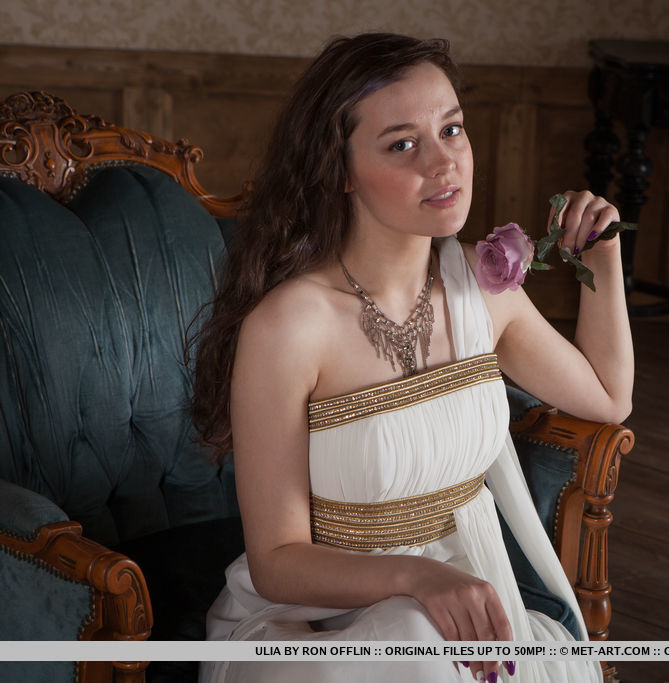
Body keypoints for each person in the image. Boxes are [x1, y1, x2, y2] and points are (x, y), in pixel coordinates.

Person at [190, 32, 633, 683]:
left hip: (468, 606)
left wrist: (605, 257)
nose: (444, 161)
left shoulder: (484, 289)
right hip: (313, 624)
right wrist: (418, 578)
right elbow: (277, 560)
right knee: (411, 639)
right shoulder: (290, 326)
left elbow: (607, 396)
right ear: (339, 171)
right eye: (403, 144)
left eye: (452, 129)